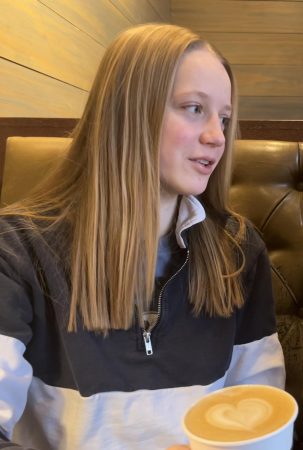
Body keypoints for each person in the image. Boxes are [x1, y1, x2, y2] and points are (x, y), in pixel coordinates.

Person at [0, 23, 285, 449]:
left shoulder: (238, 251)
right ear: (128, 109)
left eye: (224, 118)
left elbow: (263, 410)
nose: (217, 136)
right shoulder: (17, 249)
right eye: (194, 108)